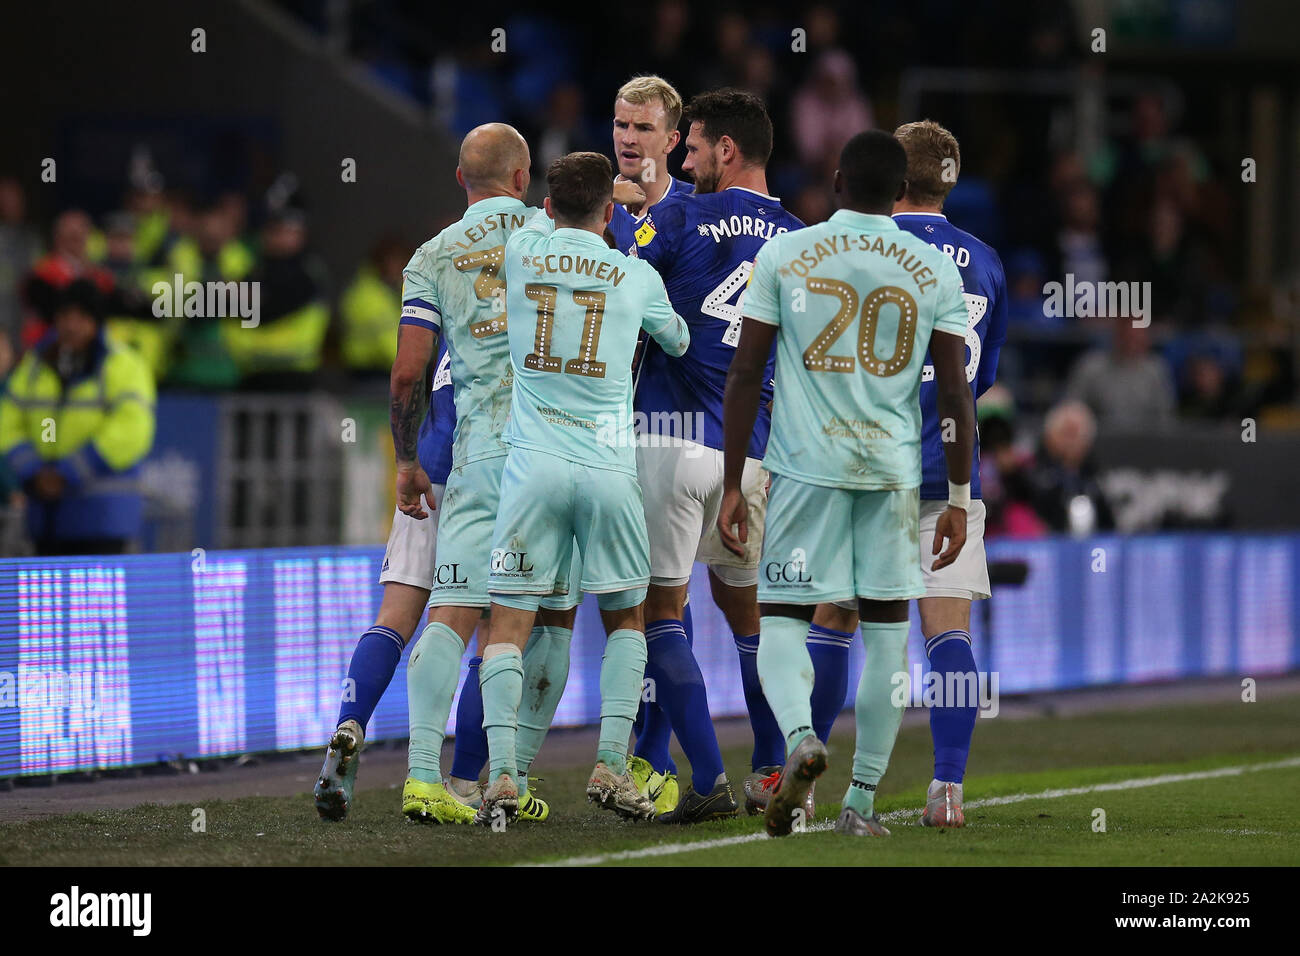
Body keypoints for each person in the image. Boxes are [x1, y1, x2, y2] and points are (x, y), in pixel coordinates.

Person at [719, 130, 975, 838]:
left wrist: (738, 479)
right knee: (890, 639)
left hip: (804, 469)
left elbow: (746, 375)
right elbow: (954, 395)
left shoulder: (786, 253)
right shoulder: (932, 269)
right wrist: (957, 496)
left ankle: (801, 737)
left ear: (836, 182)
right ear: (899, 191)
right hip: (892, 475)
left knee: (782, 619)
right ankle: (860, 802)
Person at [475, 151, 689, 827]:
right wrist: (628, 224)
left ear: (546, 205)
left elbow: (546, 220)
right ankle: (608, 763)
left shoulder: (521, 251)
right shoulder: (635, 273)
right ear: (607, 213)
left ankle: (504, 776)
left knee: (507, 623)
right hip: (607, 465)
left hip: (532, 464)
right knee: (626, 617)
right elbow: (678, 340)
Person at [627, 88, 805, 823]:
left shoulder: (676, 215)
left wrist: (619, 212)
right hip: (756, 456)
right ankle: (772, 765)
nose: (684, 162)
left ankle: (702, 778)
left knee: (657, 611)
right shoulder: (800, 239)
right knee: (749, 613)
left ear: (725, 150)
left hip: (667, 440)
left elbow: (612, 278)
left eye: (691, 149)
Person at [396, 124, 579, 825]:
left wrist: (409, 460)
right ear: (523, 176)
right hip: (552, 448)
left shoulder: (432, 255)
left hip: (474, 452)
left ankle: (420, 778)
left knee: (451, 610)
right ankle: (507, 779)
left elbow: (410, 373)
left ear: (459, 179)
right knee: (536, 618)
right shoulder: (558, 237)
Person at [889, 119, 1008, 826]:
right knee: (949, 636)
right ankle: (949, 792)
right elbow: (978, 381)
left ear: (892, 178)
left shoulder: (862, 248)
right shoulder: (986, 262)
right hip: (949, 474)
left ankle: (807, 785)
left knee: (840, 625)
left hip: (864, 466)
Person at [0, 279, 156, 555]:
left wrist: (70, 470)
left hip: (103, 516)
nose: (71, 326)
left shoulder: (122, 364)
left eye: (81, 317)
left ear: (97, 322)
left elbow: (132, 428)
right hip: (47, 516)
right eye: (64, 317)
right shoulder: (35, 366)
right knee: (50, 598)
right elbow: (8, 421)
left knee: (98, 599)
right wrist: (34, 468)